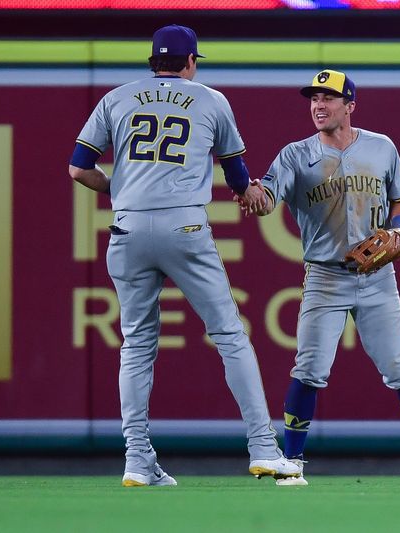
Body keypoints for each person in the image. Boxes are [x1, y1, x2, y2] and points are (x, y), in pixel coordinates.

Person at [68, 24, 300, 487]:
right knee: (230, 334)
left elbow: (78, 168)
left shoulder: (116, 98)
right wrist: (252, 193)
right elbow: (237, 178)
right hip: (184, 226)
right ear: (190, 62)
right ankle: (263, 448)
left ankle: (136, 458)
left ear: (153, 61)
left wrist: (124, 190)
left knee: (135, 345)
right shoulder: (211, 100)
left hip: (127, 226)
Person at [237, 69, 400, 486]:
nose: (318, 105)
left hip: (377, 276)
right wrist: (251, 194)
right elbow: (267, 201)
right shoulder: (295, 155)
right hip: (325, 276)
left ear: (349, 105)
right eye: (314, 98)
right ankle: (293, 461)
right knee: (309, 368)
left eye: (329, 98)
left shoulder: (381, 147)